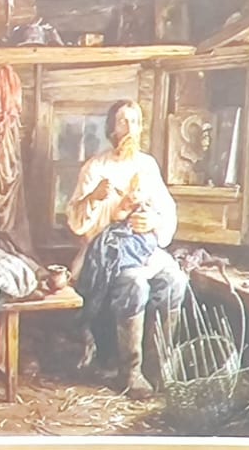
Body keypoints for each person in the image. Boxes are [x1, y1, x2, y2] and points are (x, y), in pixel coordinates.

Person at [67, 99, 187, 398]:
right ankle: (130, 371)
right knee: (134, 284)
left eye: (135, 121)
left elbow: (167, 211)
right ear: (111, 129)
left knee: (175, 279)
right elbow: (77, 223)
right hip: (106, 251)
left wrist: (153, 221)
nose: (130, 128)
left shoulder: (147, 166)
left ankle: (159, 366)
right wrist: (94, 198)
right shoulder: (96, 167)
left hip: (143, 247)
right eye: (123, 121)